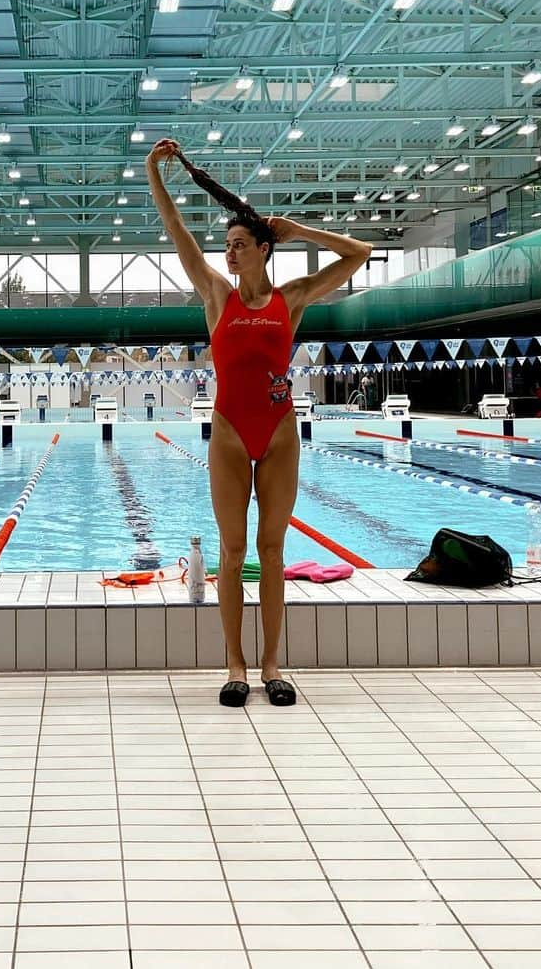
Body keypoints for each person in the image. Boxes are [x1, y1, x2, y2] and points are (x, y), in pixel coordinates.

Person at [147, 138, 372, 709]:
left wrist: (303, 231)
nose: (229, 253)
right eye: (227, 245)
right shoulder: (216, 296)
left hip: (277, 432)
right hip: (227, 430)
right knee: (230, 551)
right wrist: (155, 172)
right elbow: (177, 231)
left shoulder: (291, 299)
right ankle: (234, 664)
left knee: (272, 551)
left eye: (240, 244)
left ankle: (272, 663)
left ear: (264, 249)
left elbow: (359, 253)